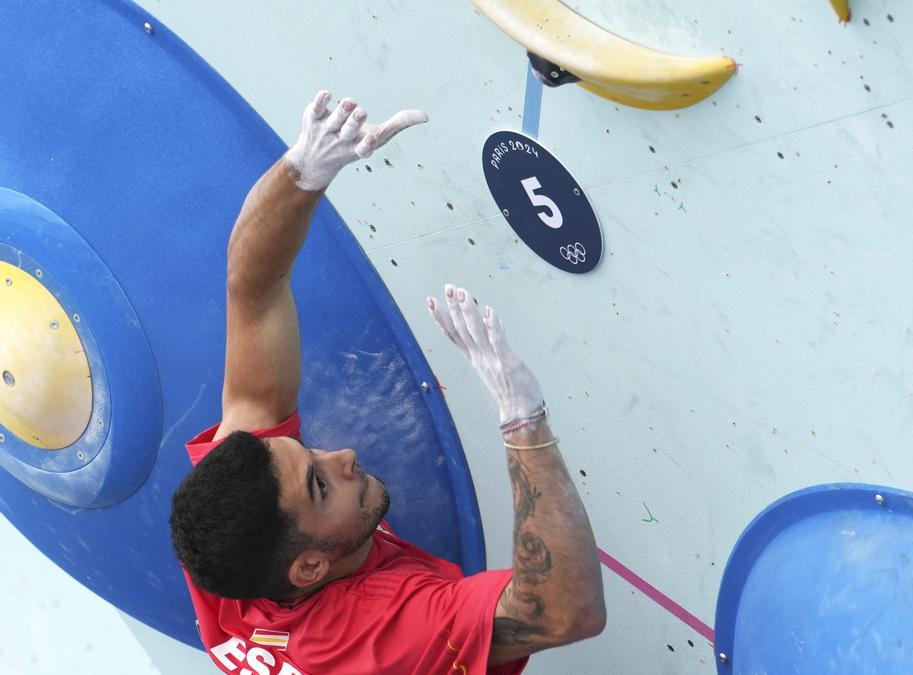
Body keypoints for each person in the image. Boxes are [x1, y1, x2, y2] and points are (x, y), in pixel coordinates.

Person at [168, 90, 605, 675]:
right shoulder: (378, 636)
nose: (343, 455)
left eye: (310, 455)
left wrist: (303, 171)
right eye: (320, 486)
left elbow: (253, 292)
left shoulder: (235, 525)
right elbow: (563, 612)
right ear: (309, 571)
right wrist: (522, 419)